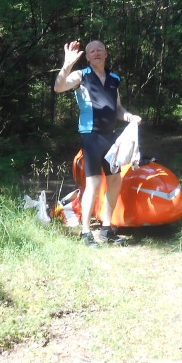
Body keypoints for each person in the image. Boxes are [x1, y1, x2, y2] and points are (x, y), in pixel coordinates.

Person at [53, 39, 142, 246]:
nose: (96, 53)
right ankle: (85, 232)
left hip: (111, 137)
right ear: (87, 56)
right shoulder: (80, 76)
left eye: (99, 50)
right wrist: (67, 64)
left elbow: (118, 108)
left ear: (105, 54)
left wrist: (130, 117)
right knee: (93, 182)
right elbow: (58, 87)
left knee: (114, 181)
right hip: (90, 135)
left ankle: (106, 229)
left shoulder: (114, 79)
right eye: (91, 51)